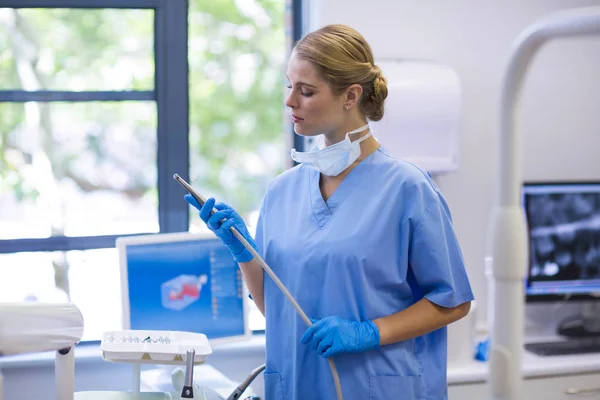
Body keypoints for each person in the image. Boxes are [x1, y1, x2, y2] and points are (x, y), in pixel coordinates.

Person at [186, 24, 474, 400]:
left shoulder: (408, 189)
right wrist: (244, 252)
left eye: (306, 91)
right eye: (288, 86)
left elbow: (453, 302)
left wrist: (369, 332)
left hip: (376, 387)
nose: (291, 101)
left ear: (350, 95)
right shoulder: (282, 191)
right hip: (296, 385)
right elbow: (278, 311)